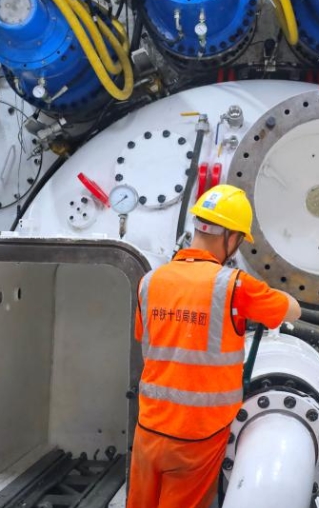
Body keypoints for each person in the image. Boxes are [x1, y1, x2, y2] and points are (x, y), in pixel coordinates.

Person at [127, 184, 302, 508]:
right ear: (232, 237)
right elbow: (290, 311)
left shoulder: (149, 282)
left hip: (148, 430)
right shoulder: (234, 286)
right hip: (197, 440)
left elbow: (151, 338)